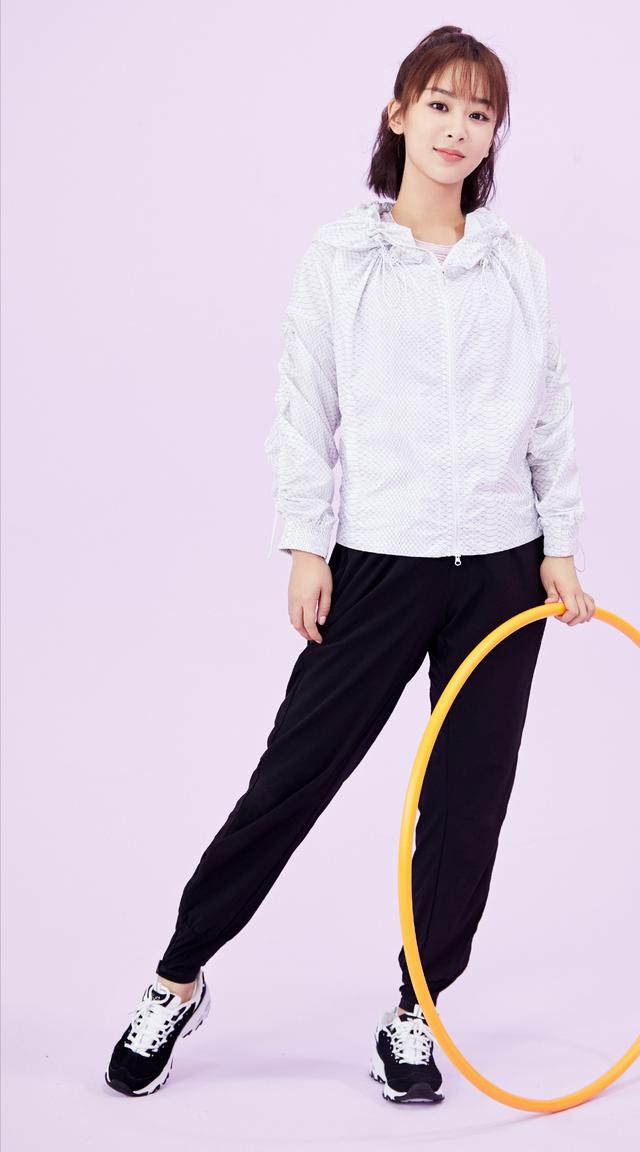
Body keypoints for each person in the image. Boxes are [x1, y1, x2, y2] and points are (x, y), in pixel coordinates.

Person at [105, 25, 595, 1105]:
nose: (458, 128)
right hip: (378, 560)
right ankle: (177, 976)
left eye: (479, 113)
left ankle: (417, 1010)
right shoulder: (340, 258)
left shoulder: (516, 265)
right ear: (398, 114)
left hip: (503, 567)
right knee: (293, 778)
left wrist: (558, 544)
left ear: (494, 135)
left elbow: (550, 408)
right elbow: (304, 407)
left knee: (467, 803)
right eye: (440, 105)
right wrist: (304, 544)